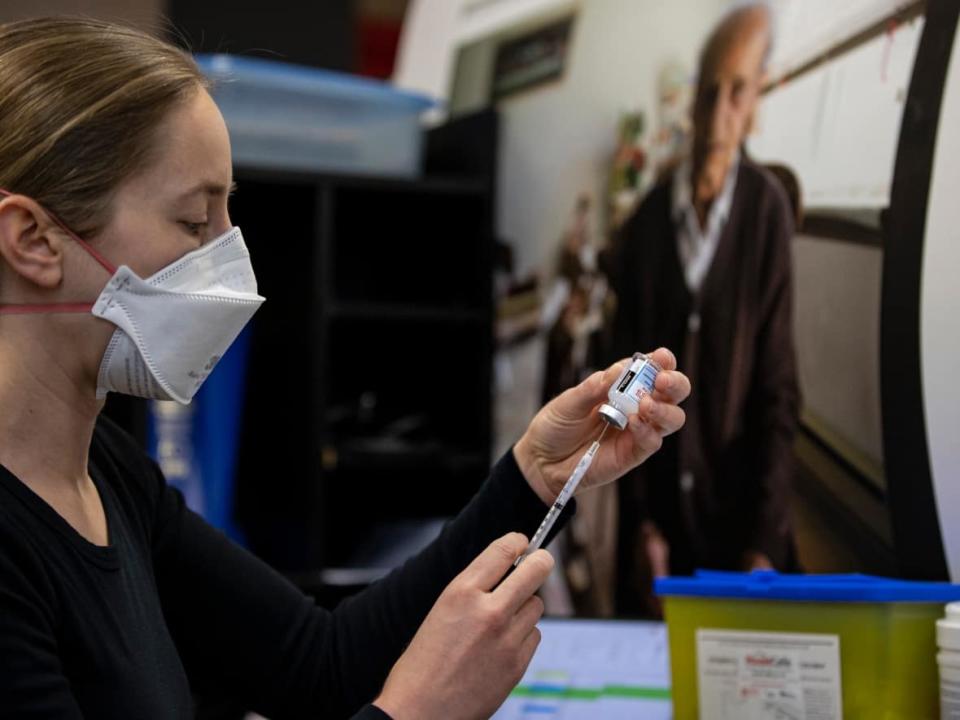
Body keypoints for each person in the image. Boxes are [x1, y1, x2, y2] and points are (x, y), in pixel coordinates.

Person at [0, 17, 690, 719]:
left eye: (228, 214)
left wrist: (535, 477)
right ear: (32, 240)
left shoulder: (107, 473)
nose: (229, 255)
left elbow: (321, 664)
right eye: (192, 220)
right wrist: (417, 710)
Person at [611, 4, 800, 615]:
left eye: (738, 93)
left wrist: (764, 544)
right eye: (711, 92)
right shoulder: (644, 227)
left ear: (756, 105)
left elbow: (776, 391)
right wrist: (641, 522)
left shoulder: (768, 214)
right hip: (656, 524)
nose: (721, 114)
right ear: (692, 101)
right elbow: (623, 385)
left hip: (738, 527)